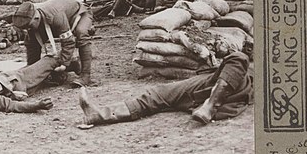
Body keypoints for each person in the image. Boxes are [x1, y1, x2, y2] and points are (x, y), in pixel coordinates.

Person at [78, 51, 253, 127]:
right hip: (224, 96)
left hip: (224, 89)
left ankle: (211, 104)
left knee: (238, 57)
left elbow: (238, 63)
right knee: (157, 97)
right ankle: (98, 115)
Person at [6, 0, 97, 86]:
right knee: (32, 41)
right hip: (58, 18)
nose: (28, 30)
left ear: (36, 18)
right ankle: (73, 65)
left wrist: (64, 64)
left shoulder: (55, 16)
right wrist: (33, 72)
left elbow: (68, 42)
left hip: (79, 14)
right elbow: (31, 47)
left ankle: (86, 76)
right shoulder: (32, 19)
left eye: (29, 27)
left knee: (81, 34)